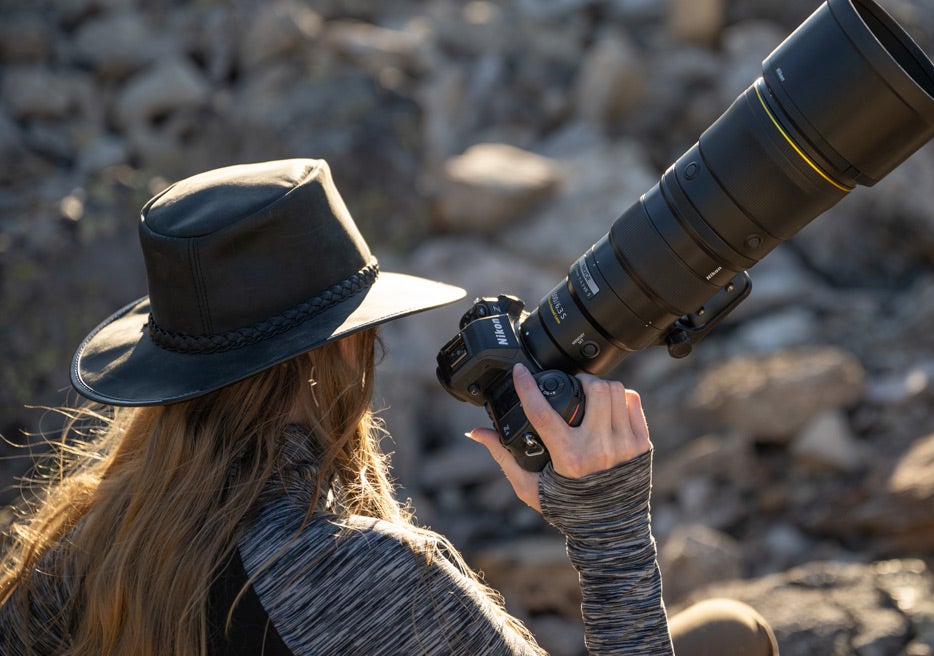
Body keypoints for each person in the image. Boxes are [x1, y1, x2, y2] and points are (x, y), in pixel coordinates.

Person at [0, 158, 777, 655]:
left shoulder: (75, 554)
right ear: (342, 349)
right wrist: (607, 532)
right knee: (737, 637)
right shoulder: (360, 575)